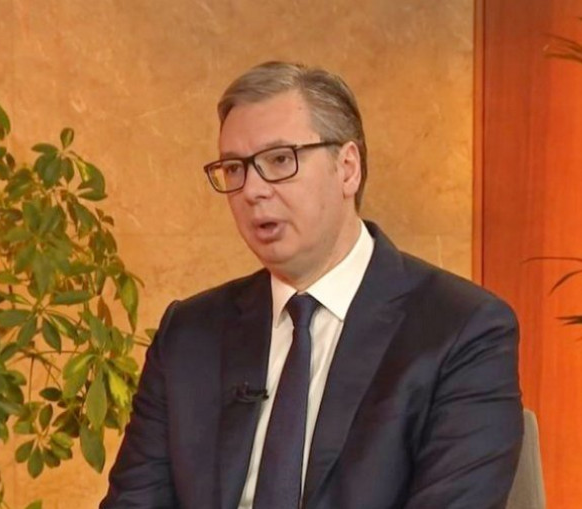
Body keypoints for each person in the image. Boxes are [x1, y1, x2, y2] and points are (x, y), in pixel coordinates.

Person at [101, 61, 523, 509]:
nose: (252, 190)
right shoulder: (189, 334)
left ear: (347, 168)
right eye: (235, 168)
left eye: (280, 160)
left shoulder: (461, 329)